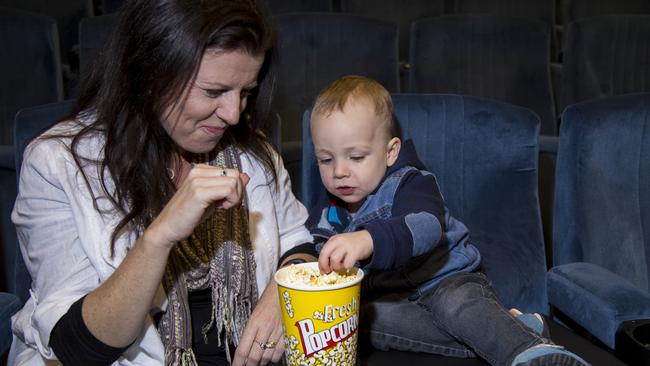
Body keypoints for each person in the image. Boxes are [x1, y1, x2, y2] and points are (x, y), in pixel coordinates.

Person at [8, 1, 313, 365]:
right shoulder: (57, 164)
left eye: (246, 91)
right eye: (213, 92)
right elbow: (79, 349)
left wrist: (284, 290)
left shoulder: (252, 151)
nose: (234, 114)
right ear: (149, 76)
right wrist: (161, 235)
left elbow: (298, 242)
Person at [280, 75, 591, 366]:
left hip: (446, 278)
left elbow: (427, 228)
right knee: (360, 321)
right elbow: (315, 245)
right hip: (397, 296)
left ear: (390, 152)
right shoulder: (328, 209)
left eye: (356, 156)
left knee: (458, 307)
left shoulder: (411, 182)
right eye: (326, 159)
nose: (339, 171)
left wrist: (368, 239)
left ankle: (530, 352)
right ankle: (509, 328)